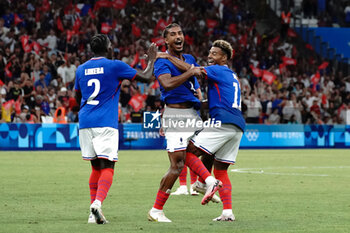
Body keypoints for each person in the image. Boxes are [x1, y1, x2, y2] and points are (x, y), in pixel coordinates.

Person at [159, 39, 245, 221]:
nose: (210, 56)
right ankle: (227, 212)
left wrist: (167, 56)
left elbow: (193, 70)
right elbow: (216, 101)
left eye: (214, 54)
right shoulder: (232, 75)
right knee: (221, 170)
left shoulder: (218, 70)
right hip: (237, 125)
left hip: (222, 122)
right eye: (210, 53)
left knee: (186, 152)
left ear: (224, 57)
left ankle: (206, 182)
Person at [74, 34, 157, 224]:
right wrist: (152, 60)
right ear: (108, 48)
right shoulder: (114, 65)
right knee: (108, 166)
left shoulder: (80, 69)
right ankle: (97, 203)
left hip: (85, 121)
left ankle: (91, 214)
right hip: (105, 122)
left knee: (95, 166)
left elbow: (77, 94)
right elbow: (146, 77)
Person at [148, 23, 222, 223]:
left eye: (180, 33)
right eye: (173, 34)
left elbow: (195, 76)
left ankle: (201, 182)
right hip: (176, 115)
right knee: (178, 164)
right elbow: (167, 83)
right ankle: (156, 210)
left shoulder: (188, 58)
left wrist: (198, 89)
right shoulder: (161, 62)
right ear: (166, 40)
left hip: (194, 114)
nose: (178, 37)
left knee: (208, 149)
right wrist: (190, 72)